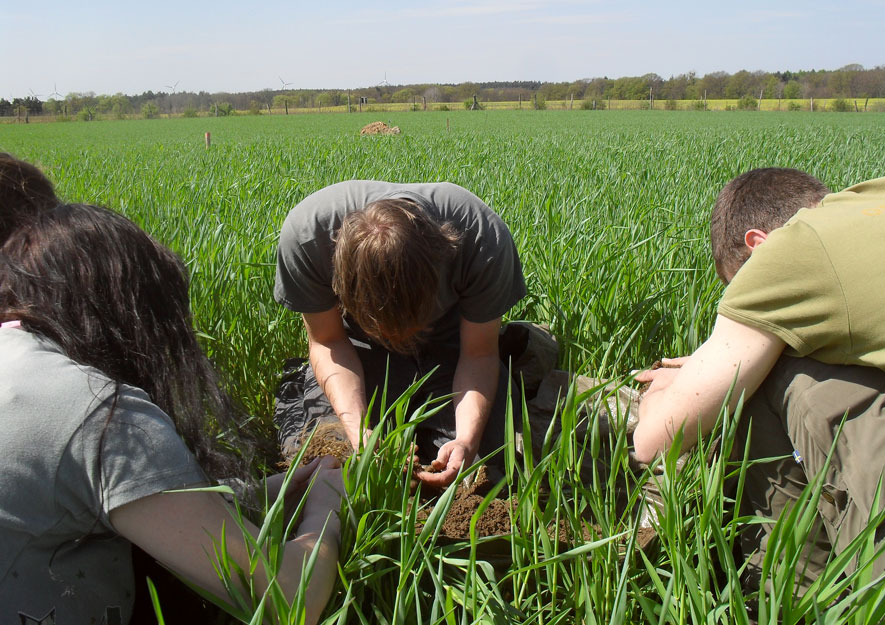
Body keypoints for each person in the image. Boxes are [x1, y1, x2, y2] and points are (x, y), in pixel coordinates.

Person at [0, 202, 343, 625]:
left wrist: (273, 491)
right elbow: (290, 598)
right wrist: (329, 505)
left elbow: (150, 505)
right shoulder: (101, 413)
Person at [633, 168, 885, 620]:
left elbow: (655, 440)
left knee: (774, 371)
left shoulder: (795, 249)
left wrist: (663, 389)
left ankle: (791, 598)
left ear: (759, 245)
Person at [274, 181, 526, 488]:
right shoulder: (306, 238)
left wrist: (466, 441)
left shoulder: (482, 239)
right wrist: (357, 431)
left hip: (450, 347)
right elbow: (328, 340)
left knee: (479, 467)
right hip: (357, 347)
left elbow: (479, 352)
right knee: (326, 456)